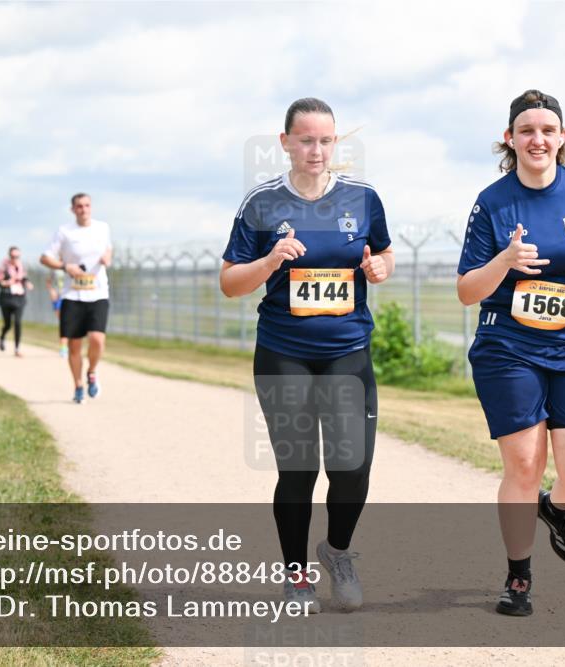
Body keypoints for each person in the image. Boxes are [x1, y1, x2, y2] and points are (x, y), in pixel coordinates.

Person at [220, 98, 394, 614]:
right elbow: (231, 282)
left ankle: (337, 552)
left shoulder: (363, 199)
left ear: (335, 143)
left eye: (325, 140)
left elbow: (382, 253)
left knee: (353, 466)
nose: (315, 150)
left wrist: (380, 268)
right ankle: (296, 576)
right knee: (298, 469)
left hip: (348, 352)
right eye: (305, 140)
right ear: (285, 143)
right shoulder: (262, 203)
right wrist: (271, 258)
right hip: (283, 352)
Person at [455, 89, 565, 617]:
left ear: (563, 138)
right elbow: (466, 289)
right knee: (524, 463)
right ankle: (518, 576)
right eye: (527, 130)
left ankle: (556, 508)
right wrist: (504, 259)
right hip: (509, 344)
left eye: (548, 130)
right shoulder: (493, 201)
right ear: (510, 139)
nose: (538, 139)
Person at [40, 194, 113, 403]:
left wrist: (107, 256)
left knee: (98, 339)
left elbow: (108, 247)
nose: (84, 209)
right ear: (73, 209)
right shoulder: (65, 232)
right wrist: (65, 266)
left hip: (98, 292)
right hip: (72, 295)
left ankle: (92, 372)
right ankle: (78, 385)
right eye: (79, 206)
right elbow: (45, 257)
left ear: (92, 207)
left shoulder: (102, 228)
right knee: (74, 344)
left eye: (87, 205)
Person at [0, 246, 34, 357]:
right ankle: (2, 337)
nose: (15, 258)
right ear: (9, 256)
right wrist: (5, 283)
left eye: (17, 256)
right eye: (13, 256)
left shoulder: (22, 266)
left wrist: (28, 283)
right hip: (6, 298)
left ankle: (17, 348)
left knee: (17, 322)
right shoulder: (3, 267)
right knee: (7, 324)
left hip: (19, 298)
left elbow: (24, 278)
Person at [46, 268, 68, 357]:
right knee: (63, 322)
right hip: (58, 297)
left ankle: (71, 345)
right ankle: (64, 347)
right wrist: (52, 291)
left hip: (70, 296)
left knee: (71, 322)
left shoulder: (74, 263)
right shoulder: (54, 268)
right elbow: (48, 281)